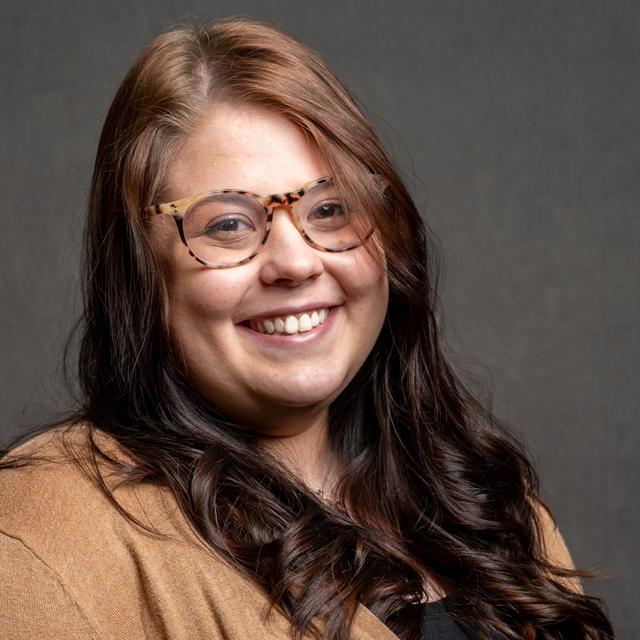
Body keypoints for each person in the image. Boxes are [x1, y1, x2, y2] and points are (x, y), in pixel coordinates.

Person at [0, 17, 613, 640]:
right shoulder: (46, 543)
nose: (296, 262)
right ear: (138, 269)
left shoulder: (484, 504)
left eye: (330, 209)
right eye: (228, 225)